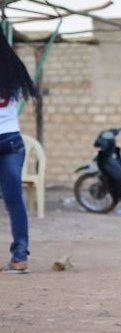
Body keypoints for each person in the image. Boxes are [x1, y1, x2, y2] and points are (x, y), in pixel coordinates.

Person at [0, 30, 35, 274]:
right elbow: (22, 95)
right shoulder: (13, 70)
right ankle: (20, 256)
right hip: (12, 139)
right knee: (14, 201)